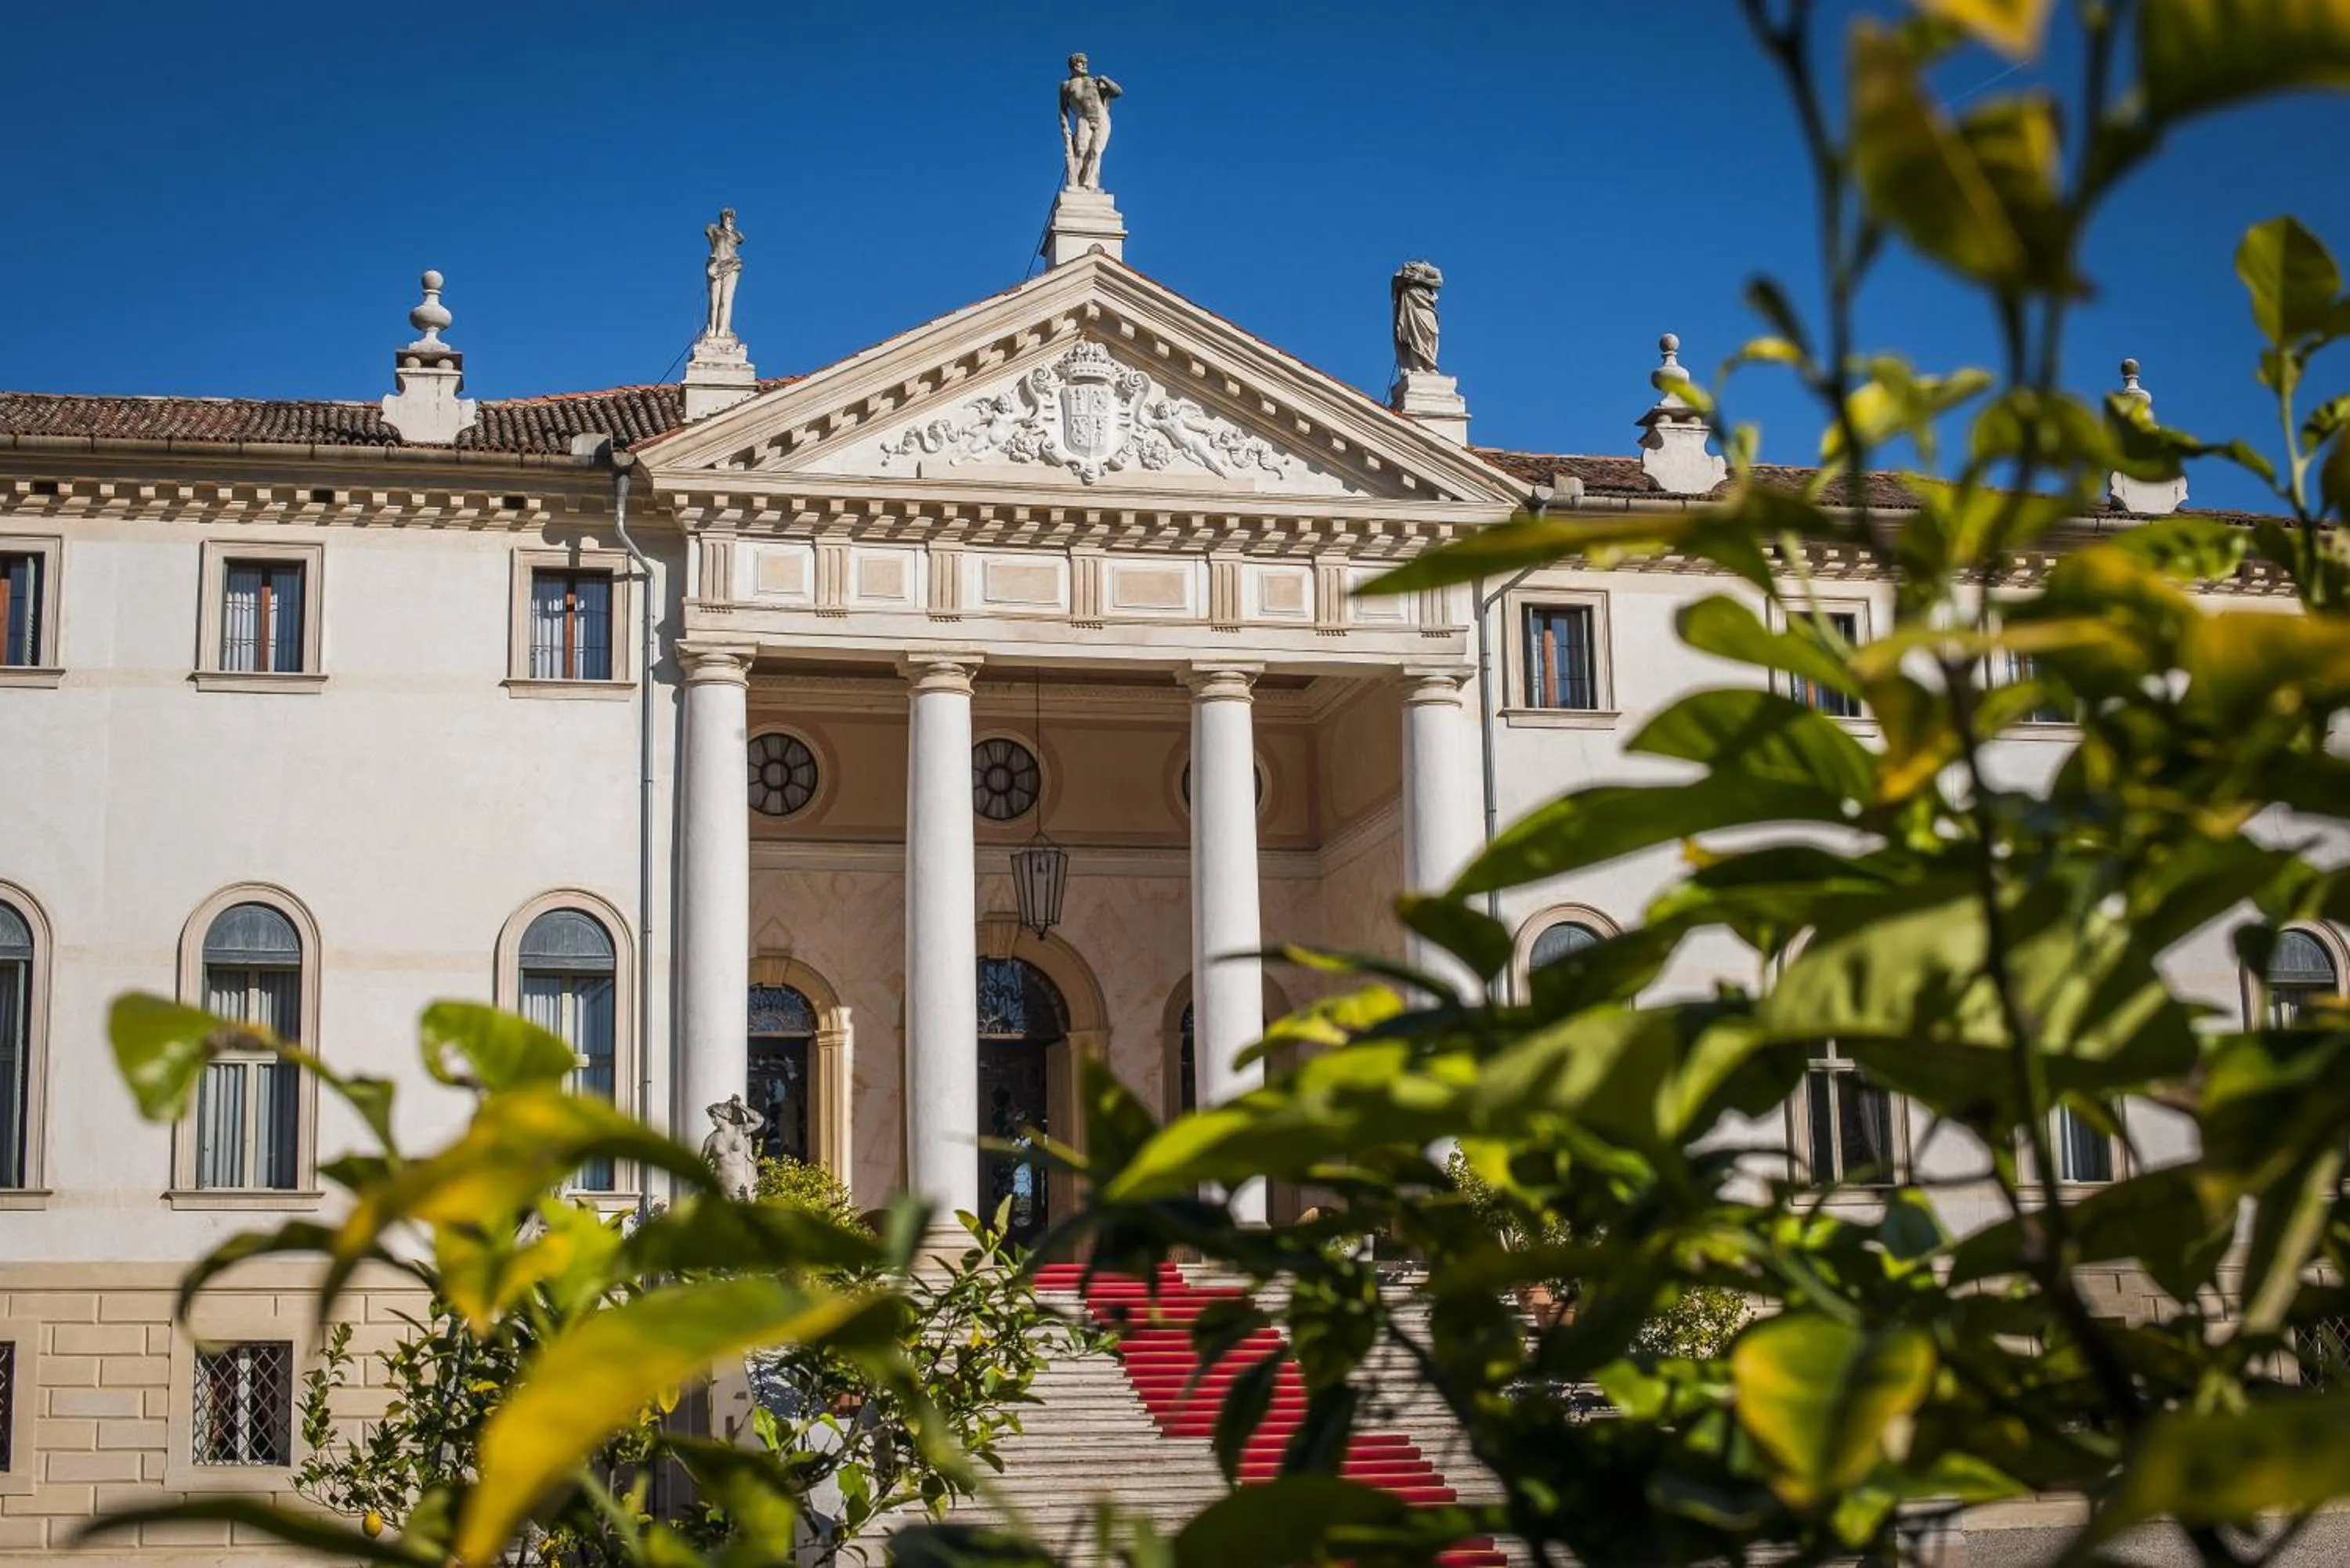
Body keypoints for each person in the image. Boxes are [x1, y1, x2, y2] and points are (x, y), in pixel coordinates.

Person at [1058, 53, 1123, 191]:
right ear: (1073, 66)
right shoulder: (1066, 85)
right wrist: (1065, 126)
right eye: (1080, 63)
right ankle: (1074, 183)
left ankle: (1091, 184)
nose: (1084, 65)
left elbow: (1117, 92)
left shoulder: (1094, 82)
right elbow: (1063, 110)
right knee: (1081, 149)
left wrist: (1104, 79)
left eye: (1085, 63)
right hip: (1083, 117)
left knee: (1096, 151)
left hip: (1101, 117)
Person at [701, 1093, 765, 1201]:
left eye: (715, 1117)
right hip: (721, 1185)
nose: (713, 1121)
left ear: (723, 1115)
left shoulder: (740, 1131)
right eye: (711, 1118)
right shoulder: (711, 1139)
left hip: (742, 1184)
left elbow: (759, 1121)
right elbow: (702, 1163)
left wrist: (740, 1106)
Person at [703, 208, 745, 341]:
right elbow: (708, 229)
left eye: (732, 217)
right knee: (714, 300)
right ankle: (713, 330)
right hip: (716, 266)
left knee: (726, 300)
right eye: (727, 217)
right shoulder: (714, 230)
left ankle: (722, 330)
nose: (729, 219)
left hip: (732, 265)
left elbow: (741, 239)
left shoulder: (736, 235)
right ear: (722, 218)